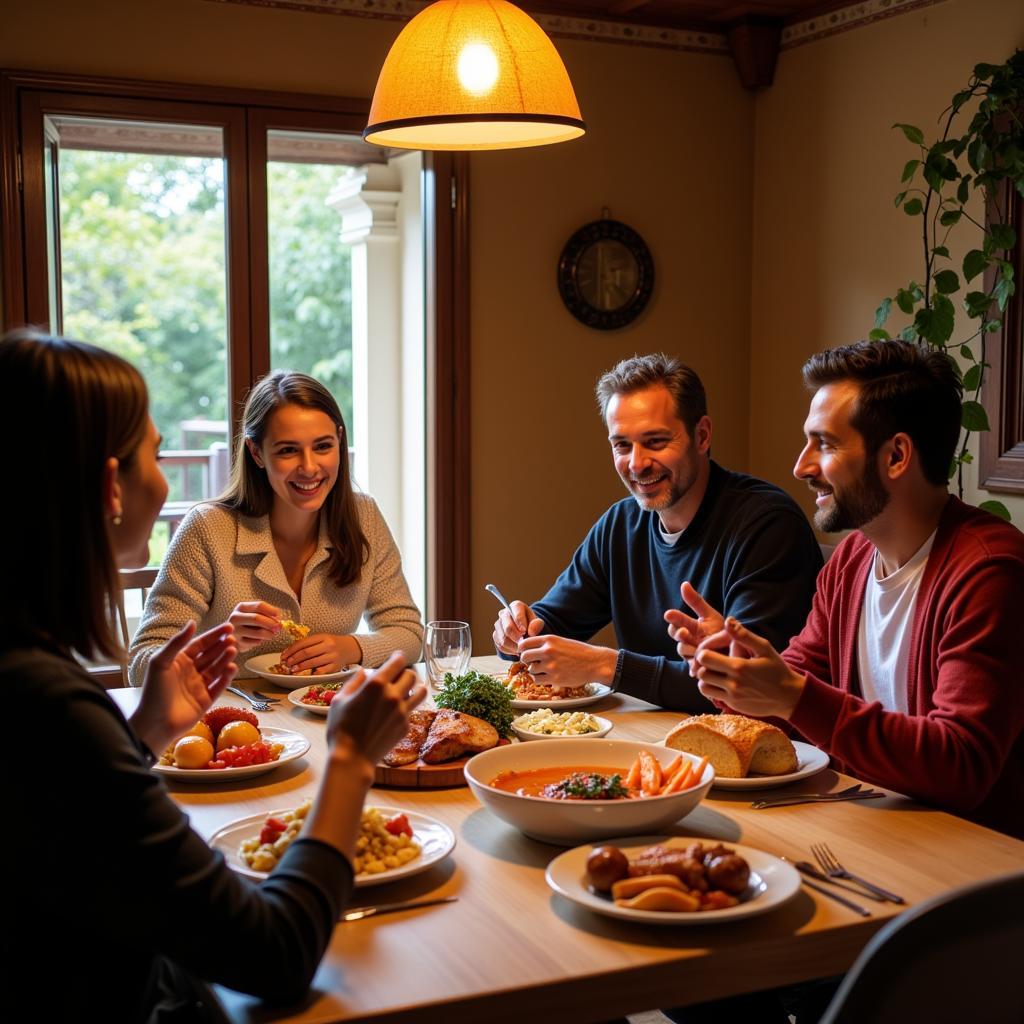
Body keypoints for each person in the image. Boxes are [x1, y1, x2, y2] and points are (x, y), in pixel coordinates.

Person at [1, 330, 425, 1021]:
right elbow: (273, 957)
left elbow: (86, 822)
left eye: (324, 446)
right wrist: (350, 760)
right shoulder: (52, 707)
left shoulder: (39, 690)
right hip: (264, 755)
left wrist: (141, 736)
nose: (310, 465)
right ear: (112, 484)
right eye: (156, 453)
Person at [669, 339, 1024, 840]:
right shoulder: (852, 561)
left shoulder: (989, 570)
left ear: (897, 455)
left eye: (826, 444)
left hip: (973, 865)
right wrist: (737, 668)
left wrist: (793, 696)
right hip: (864, 826)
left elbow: (962, 766)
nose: (801, 465)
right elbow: (794, 700)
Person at [492, 353, 823, 712]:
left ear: (702, 435)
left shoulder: (768, 525)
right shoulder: (620, 525)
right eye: (622, 445)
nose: (636, 463)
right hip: (650, 736)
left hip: (747, 751)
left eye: (655, 441)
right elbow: (550, 627)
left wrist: (606, 666)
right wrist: (516, 632)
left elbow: (751, 687)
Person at [129, 371, 423, 684]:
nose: (309, 467)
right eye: (287, 450)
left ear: (339, 440)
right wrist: (221, 643)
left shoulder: (365, 516)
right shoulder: (207, 528)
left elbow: (409, 634)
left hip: (324, 716)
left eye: (322, 446)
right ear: (256, 453)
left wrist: (351, 647)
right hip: (227, 722)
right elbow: (141, 665)